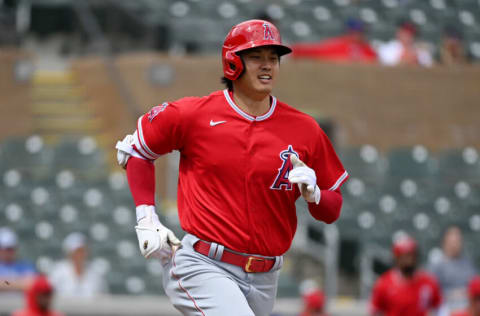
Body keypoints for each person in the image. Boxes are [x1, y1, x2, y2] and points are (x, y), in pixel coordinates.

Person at [115, 19, 349, 316]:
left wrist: (315, 195)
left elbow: (332, 209)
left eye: (273, 58)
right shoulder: (194, 115)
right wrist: (147, 218)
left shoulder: (304, 129)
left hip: (266, 277)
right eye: (256, 57)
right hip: (203, 264)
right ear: (232, 63)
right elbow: (135, 150)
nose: (267, 66)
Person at [370, 234, 442, 316]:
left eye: (411, 256)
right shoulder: (384, 283)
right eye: (404, 257)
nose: (408, 261)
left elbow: (439, 308)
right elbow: (376, 311)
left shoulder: (428, 282)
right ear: (396, 259)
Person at [428, 226, 477, 314]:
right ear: (444, 242)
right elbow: (431, 293)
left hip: (468, 307)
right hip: (446, 308)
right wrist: (453, 294)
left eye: (458, 240)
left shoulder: (468, 263)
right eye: (453, 241)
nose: (456, 244)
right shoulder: (437, 265)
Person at [48, 232, 108, 298]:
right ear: (70, 253)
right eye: (77, 251)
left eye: (82, 251)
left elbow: (102, 296)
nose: (80, 255)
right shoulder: (58, 271)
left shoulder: (95, 272)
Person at [291, 18, 377, 63]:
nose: (357, 35)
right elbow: (314, 51)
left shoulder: (368, 49)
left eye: (360, 32)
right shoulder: (338, 44)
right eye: (354, 32)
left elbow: (374, 60)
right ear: (349, 32)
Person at [0, 227, 36, 293]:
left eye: (10, 249)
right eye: (4, 249)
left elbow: (31, 284)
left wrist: (4, 283)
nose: (8, 252)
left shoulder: (25, 266)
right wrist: (18, 282)